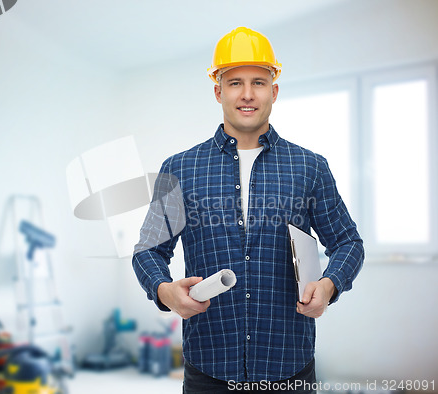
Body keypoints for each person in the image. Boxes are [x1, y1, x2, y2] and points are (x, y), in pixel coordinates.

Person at [132, 26, 364, 393]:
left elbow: (349, 243)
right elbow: (148, 250)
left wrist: (329, 284)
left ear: (274, 90)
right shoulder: (179, 168)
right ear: (218, 90)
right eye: (235, 81)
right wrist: (164, 291)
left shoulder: (309, 167)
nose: (247, 94)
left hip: (288, 365)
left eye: (258, 81)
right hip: (208, 366)